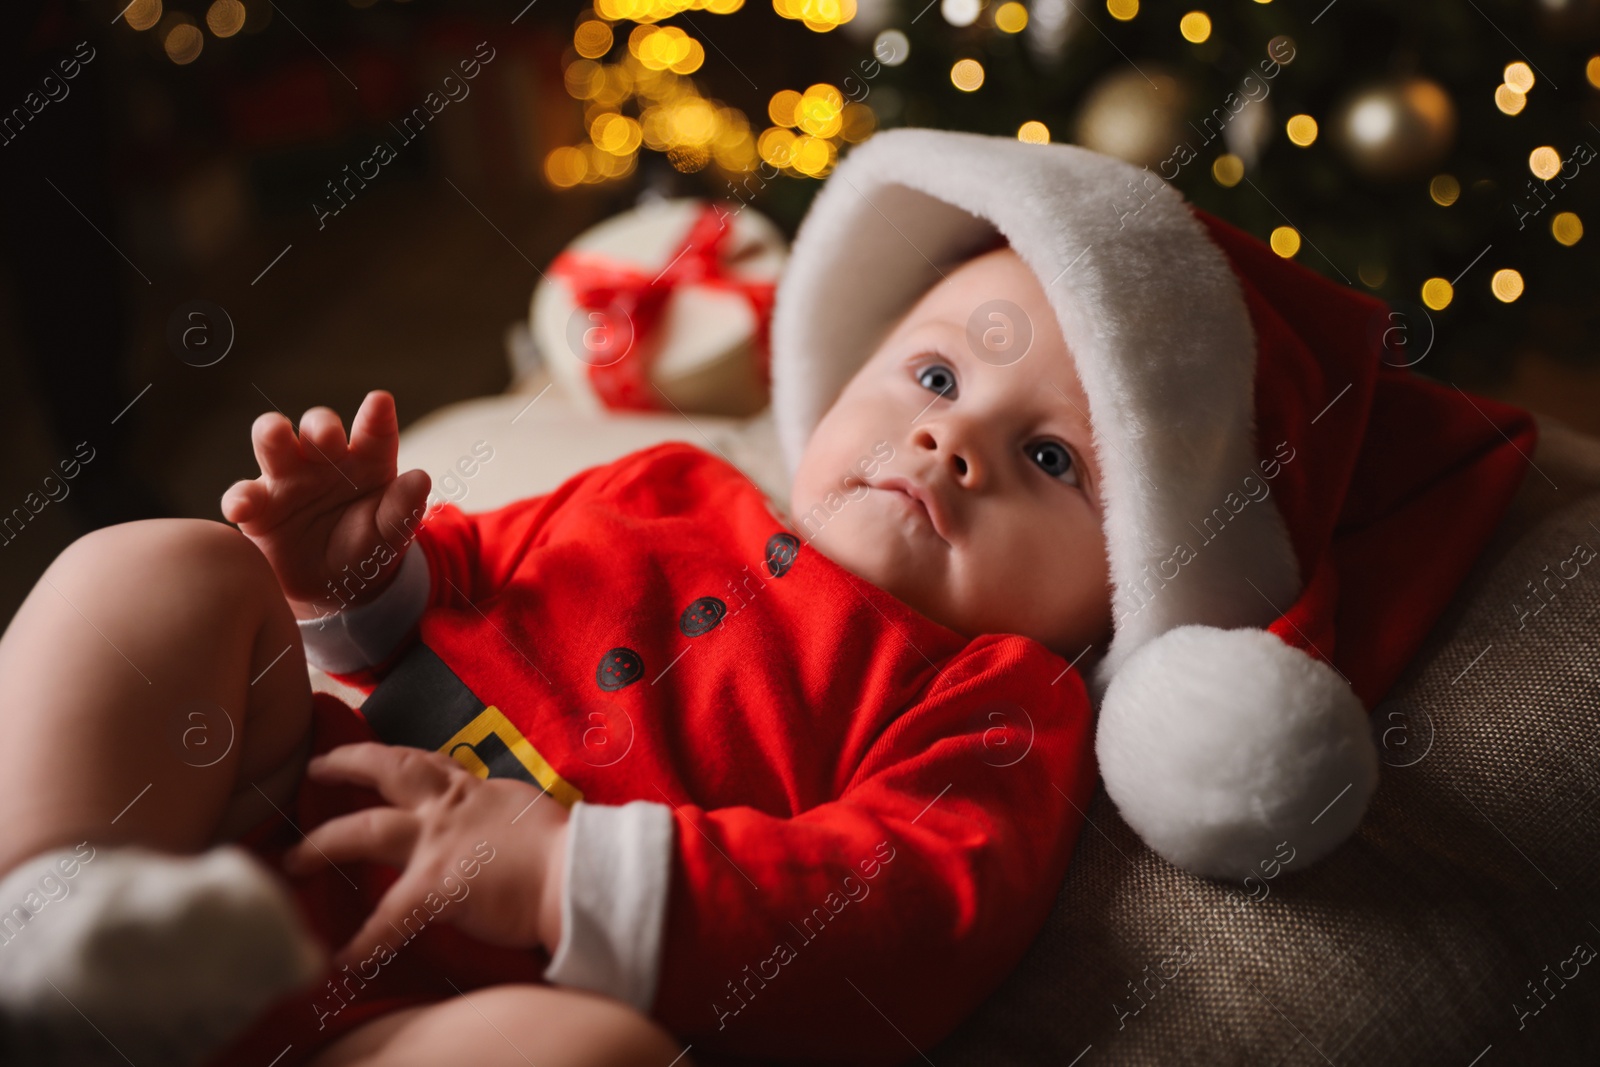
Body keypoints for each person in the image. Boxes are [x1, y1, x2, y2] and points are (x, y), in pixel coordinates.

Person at [0, 127, 1536, 1067]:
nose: (948, 437)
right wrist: (360, 576)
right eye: (933, 374)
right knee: (170, 568)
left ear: (1123, 595)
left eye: (1056, 456)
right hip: (253, 825)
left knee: (589, 1051)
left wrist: (555, 876)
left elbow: (898, 929)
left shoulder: (995, 705)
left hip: (448, 1007)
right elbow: (455, 593)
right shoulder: (663, 488)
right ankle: (44, 908)